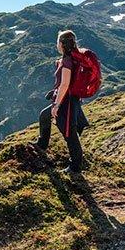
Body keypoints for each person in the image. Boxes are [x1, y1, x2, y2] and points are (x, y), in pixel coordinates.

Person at [34, 30, 89, 174]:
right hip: (69, 98)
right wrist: (54, 93)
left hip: (67, 102)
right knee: (44, 116)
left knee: (69, 134)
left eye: (58, 41)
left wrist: (57, 104)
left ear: (62, 44)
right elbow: (66, 84)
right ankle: (42, 145)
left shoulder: (67, 61)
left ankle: (75, 167)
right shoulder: (72, 58)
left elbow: (65, 84)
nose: (56, 44)